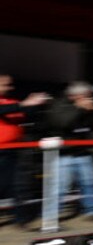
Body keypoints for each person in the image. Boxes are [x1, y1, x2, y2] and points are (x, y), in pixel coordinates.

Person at [46, 81, 93, 222]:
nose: (90, 98)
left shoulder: (88, 106)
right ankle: (51, 216)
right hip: (64, 153)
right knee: (59, 186)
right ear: (77, 95)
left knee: (89, 183)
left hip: (83, 151)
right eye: (87, 95)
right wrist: (79, 109)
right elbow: (62, 122)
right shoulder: (59, 104)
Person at [0, 73, 50, 226]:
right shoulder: (12, 104)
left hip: (13, 151)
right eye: (5, 84)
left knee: (18, 187)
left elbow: (23, 116)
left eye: (10, 84)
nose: (10, 87)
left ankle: (21, 219)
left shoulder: (12, 101)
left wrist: (35, 104)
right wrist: (24, 104)